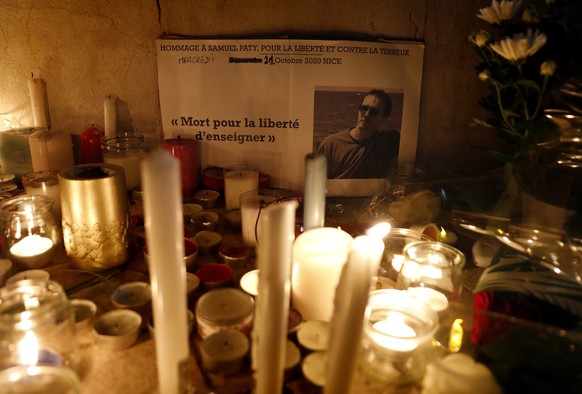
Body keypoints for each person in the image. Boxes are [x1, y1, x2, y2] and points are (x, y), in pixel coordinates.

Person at [317, 89, 400, 179]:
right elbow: (317, 181)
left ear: (383, 119)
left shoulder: (386, 143)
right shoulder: (331, 144)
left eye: (374, 112)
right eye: (364, 108)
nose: (366, 114)